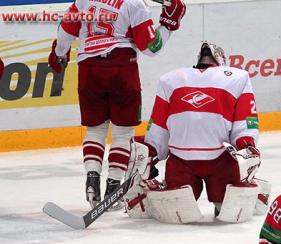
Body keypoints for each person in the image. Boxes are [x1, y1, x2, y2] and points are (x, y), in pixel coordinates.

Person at [47, 0, 186, 208]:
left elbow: (65, 32)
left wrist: (59, 54)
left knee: (95, 130)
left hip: (89, 69)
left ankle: (92, 177)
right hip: (122, 68)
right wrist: (168, 24)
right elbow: (150, 48)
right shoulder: (135, 3)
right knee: (122, 133)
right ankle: (113, 186)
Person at [124, 42, 269, 224]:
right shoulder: (238, 77)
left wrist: (150, 153)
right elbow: (245, 124)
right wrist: (247, 146)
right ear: (221, 62)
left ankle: (145, 194)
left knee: (175, 210)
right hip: (219, 161)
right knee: (230, 209)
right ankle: (254, 191)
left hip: (183, 161)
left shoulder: (171, 79)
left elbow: (159, 128)